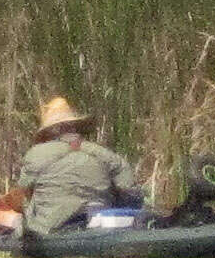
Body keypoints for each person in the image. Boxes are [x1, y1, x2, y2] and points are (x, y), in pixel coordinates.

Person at [16, 96, 140, 236]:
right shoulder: (105, 154)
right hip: (97, 224)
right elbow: (131, 191)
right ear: (75, 127)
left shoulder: (35, 154)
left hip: (49, 228)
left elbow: (24, 193)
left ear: (49, 132)